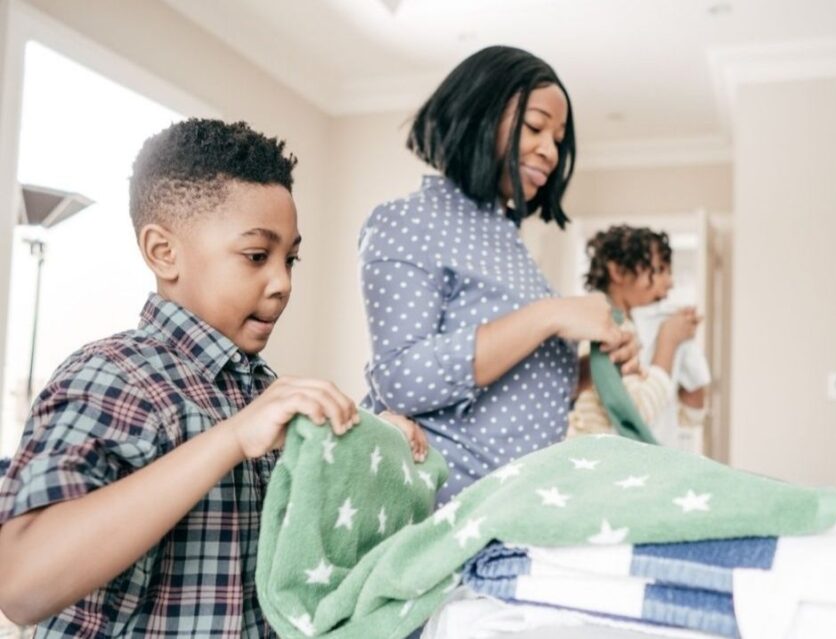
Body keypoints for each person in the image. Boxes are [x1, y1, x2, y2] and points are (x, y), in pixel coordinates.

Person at [0, 118, 424, 635]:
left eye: (291, 259)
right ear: (163, 251)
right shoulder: (114, 375)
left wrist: (375, 451)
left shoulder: (266, 393)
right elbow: (20, 585)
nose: (282, 282)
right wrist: (231, 438)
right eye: (256, 256)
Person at [359, 46, 638, 504]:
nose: (550, 150)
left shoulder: (509, 244)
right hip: (447, 511)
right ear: (478, 113)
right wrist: (550, 314)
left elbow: (519, 393)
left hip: (512, 505)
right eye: (535, 128)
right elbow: (400, 379)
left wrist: (596, 368)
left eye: (558, 138)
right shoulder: (406, 221)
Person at [570, 226, 709, 450]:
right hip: (595, 463)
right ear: (617, 271)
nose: (670, 282)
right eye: (660, 269)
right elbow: (636, 413)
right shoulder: (602, 327)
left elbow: (689, 416)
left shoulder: (621, 325)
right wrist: (669, 341)